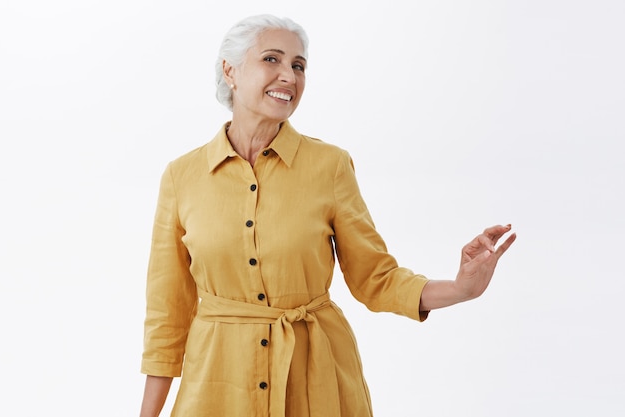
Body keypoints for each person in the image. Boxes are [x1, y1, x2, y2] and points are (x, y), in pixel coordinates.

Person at [139, 14, 516, 417]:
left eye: (298, 66)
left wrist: (462, 289)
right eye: (272, 59)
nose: (289, 76)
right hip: (218, 384)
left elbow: (375, 278)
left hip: (316, 380)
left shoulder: (330, 166)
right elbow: (168, 313)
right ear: (229, 70)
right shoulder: (182, 177)